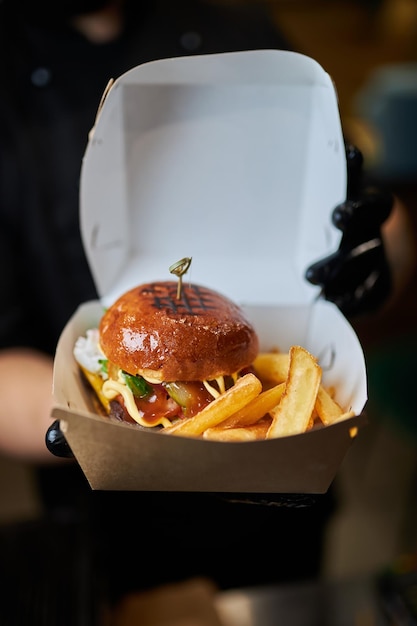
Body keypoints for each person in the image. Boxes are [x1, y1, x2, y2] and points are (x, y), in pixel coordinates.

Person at [0, 0, 410, 611]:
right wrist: (83, 423)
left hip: (283, 502)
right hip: (110, 514)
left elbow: (384, 223)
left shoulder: (241, 25)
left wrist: (380, 256)